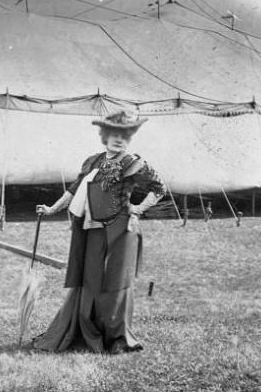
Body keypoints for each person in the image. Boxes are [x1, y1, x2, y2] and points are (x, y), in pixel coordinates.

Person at [32, 110, 164, 354]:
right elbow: (73, 191)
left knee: (115, 283)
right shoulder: (92, 161)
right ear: (105, 136)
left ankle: (115, 337)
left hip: (122, 231)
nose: (119, 140)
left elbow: (159, 189)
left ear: (130, 138)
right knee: (91, 280)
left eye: (124, 136)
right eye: (114, 134)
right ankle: (86, 330)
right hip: (92, 229)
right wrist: (51, 209)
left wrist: (137, 209)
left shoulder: (134, 163)